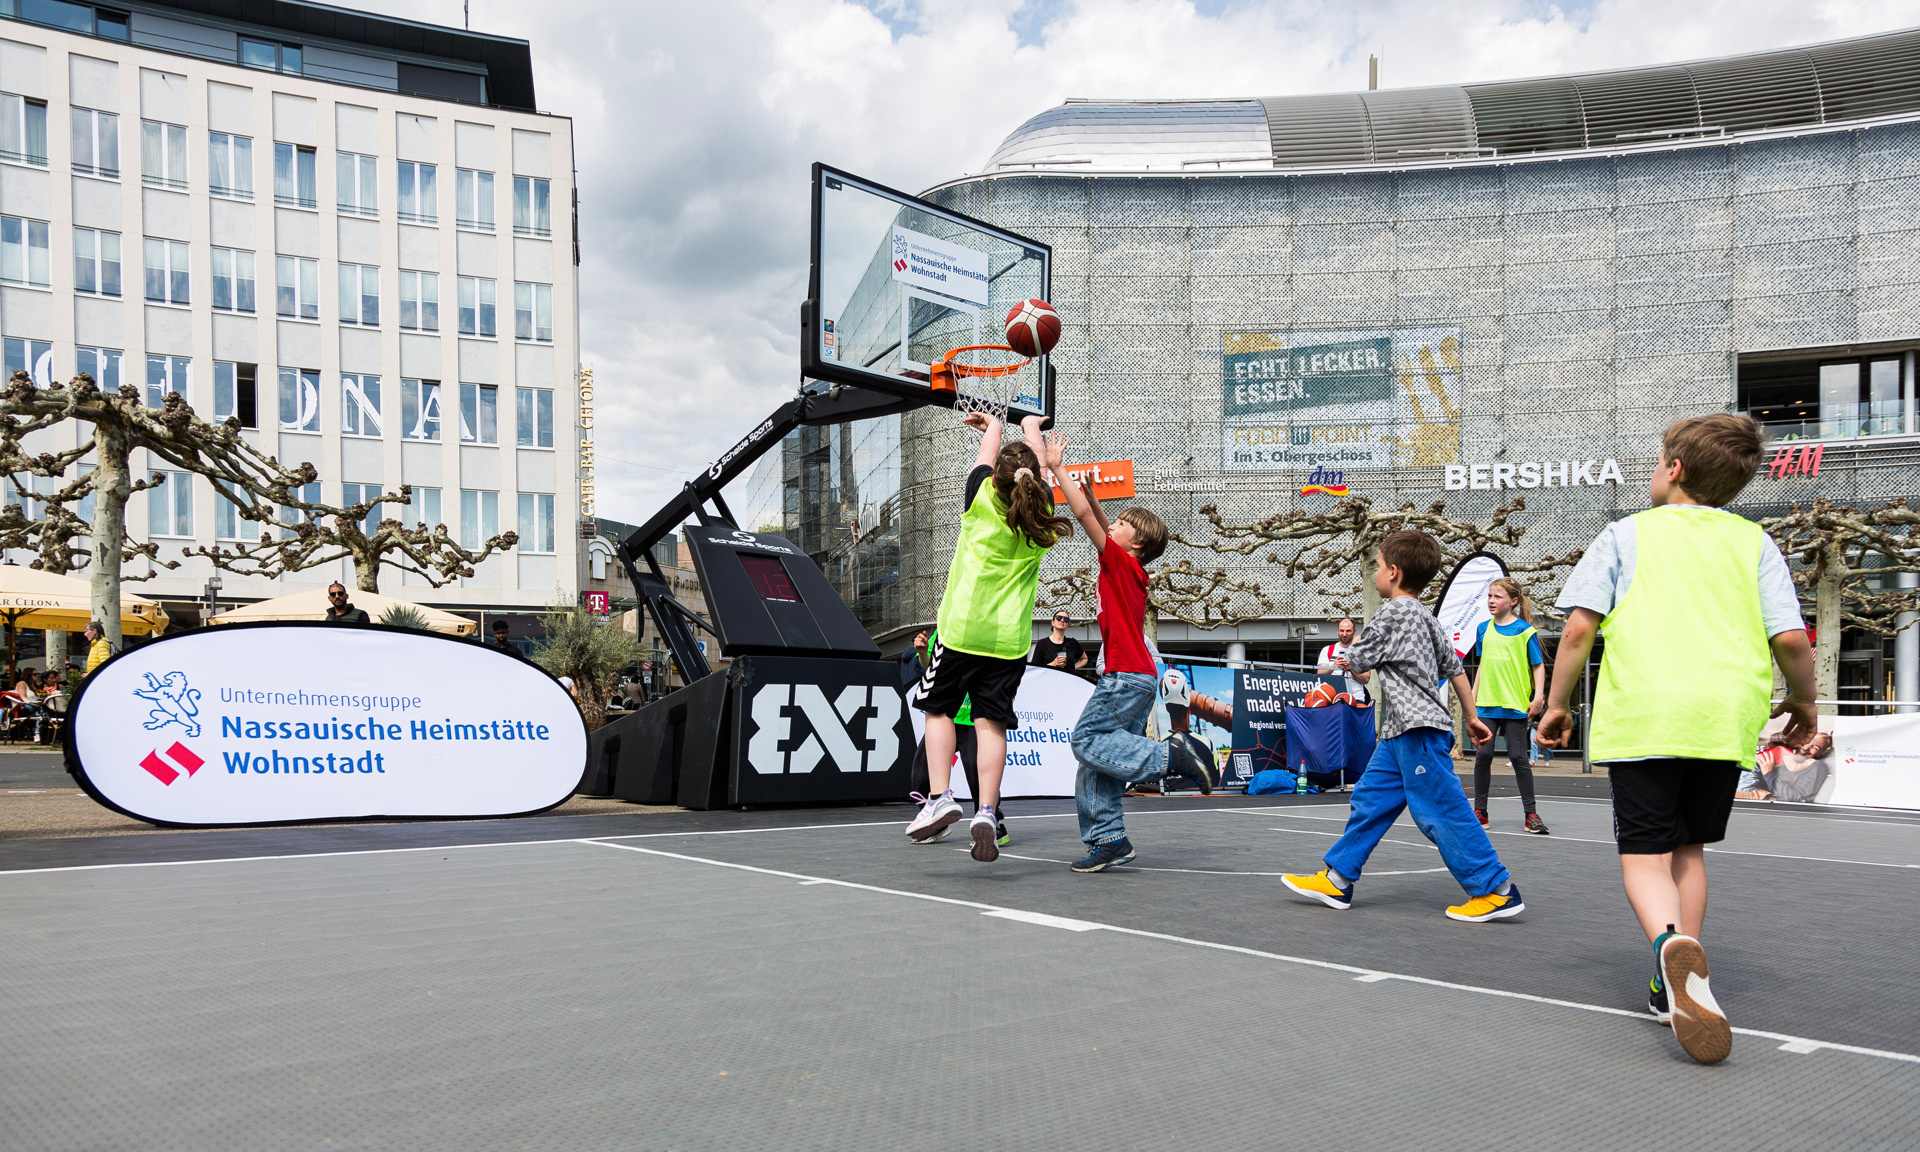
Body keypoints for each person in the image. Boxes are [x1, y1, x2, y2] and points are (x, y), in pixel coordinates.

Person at [1538, 412, 1815, 1066]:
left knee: (1643, 855)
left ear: (1675, 469)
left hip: (1647, 715)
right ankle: (1682, 982)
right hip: (1722, 719)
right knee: (1688, 848)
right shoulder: (1754, 544)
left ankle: (1667, 947)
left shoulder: (1625, 535)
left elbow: (1578, 630)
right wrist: (1805, 703)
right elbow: (1792, 640)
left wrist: (1556, 703)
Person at [1280, 530, 1520, 922]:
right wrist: (1472, 717)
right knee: (1370, 801)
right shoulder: (1426, 615)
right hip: (1399, 732)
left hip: (1417, 729)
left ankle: (1495, 889)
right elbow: (1455, 669)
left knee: (1440, 810)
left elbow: (1357, 659)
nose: (1375, 572)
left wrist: (1345, 658)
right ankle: (1338, 878)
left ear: (1393, 572)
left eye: (1377, 566)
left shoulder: (1393, 612)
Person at [1040, 429, 1213, 873]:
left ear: (1132, 543)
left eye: (1119, 524)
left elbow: (1084, 518)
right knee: (1099, 764)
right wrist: (1099, 500)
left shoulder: (1120, 563)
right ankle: (1110, 838)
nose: (1109, 525)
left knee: (1085, 741)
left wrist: (1059, 467)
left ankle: (1174, 756)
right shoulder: (1129, 566)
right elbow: (1098, 518)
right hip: (1136, 675)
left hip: (1125, 675)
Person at [904, 412, 1071, 862]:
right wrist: (1034, 428)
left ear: (993, 478)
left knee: (937, 710)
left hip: (962, 630)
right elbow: (1030, 468)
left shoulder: (980, 498)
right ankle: (986, 810)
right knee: (990, 724)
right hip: (1009, 641)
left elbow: (988, 455)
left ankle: (940, 797)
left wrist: (994, 424)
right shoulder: (1041, 514)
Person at [905, 627, 1008, 847]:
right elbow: (928, 667)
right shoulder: (945, 626)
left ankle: (992, 824)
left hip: (973, 721)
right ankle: (935, 821)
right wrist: (923, 653)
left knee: (977, 775)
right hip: (946, 718)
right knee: (922, 774)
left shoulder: (987, 629)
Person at [1469, 577, 1549, 834]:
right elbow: (1482, 666)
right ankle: (1480, 812)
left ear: (1513, 601)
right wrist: (1472, 695)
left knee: (1518, 757)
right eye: (1490, 596)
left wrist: (1538, 697)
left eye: (1498, 597)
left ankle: (1531, 815)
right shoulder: (1483, 629)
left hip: (1515, 704)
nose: (1491, 601)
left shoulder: (1525, 631)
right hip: (1487, 704)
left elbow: (1538, 665)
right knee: (1483, 755)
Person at [1736, 730, 1832, 803]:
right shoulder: (1788, 753)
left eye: (1815, 747)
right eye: (1807, 741)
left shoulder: (1817, 766)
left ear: (1821, 752)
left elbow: (1796, 799)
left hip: (1765, 801)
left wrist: (1768, 773)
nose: (1806, 747)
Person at [1315, 617, 1370, 703]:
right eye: (1342, 631)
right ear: (1337, 631)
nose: (1344, 634)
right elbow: (1320, 674)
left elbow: (1366, 679)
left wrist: (1351, 669)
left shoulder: (1361, 651)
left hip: (1356, 698)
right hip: (1332, 698)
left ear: (1354, 631)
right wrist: (1334, 666)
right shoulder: (1328, 650)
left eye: (1348, 631)